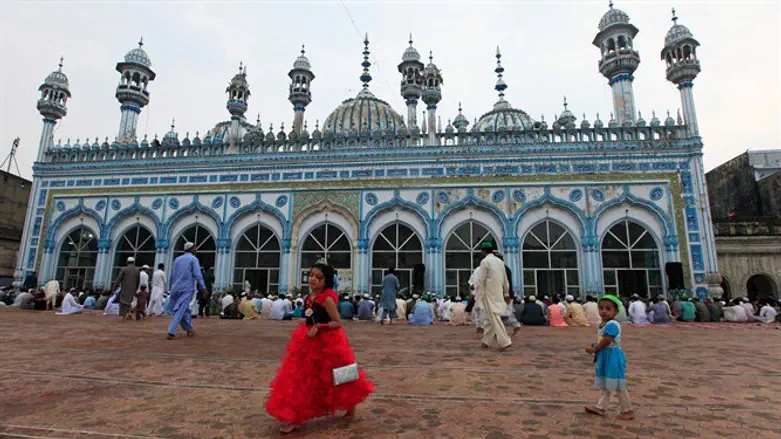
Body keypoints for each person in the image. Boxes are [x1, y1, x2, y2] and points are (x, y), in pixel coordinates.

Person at [266, 263, 374, 434]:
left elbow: (337, 322)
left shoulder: (327, 298)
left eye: (318, 277)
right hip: (308, 342)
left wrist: (320, 326)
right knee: (301, 379)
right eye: (311, 275)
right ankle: (295, 416)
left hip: (328, 344)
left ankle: (350, 405)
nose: (313, 279)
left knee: (339, 376)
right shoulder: (309, 297)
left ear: (326, 281)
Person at [584, 295, 633, 420]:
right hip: (605, 356)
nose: (604, 311)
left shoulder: (612, 324)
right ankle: (601, 407)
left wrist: (595, 349)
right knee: (607, 383)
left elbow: (606, 340)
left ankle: (627, 410)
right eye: (601, 308)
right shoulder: (603, 324)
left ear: (616, 311)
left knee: (617, 384)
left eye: (608, 308)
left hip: (613, 356)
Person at [471, 241, 512, 351]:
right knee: (489, 317)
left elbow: (481, 279)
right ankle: (486, 341)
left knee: (493, 316)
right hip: (498, 291)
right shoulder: (499, 261)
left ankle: (505, 341)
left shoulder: (485, 261)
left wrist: (475, 290)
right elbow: (505, 278)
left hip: (488, 292)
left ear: (483, 251)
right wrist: (506, 292)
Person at [166, 242, 206, 339]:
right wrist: (203, 287)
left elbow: (172, 274)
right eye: (194, 247)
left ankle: (189, 329)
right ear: (191, 249)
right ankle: (171, 331)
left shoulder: (177, 259)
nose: (196, 249)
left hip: (175, 287)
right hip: (186, 288)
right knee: (181, 310)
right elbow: (197, 274)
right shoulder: (193, 259)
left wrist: (170, 287)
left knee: (186, 310)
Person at [113, 257, 140, 321]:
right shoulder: (137, 270)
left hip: (125, 288)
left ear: (127, 262)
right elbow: (138, 281)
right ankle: (129, 313)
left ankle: (124, 316)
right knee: (129, 301)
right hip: (132, 288)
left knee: (123, 301)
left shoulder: (124, 269)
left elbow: (119, 279)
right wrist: (135, 289)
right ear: (133, 262)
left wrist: (114, 287)